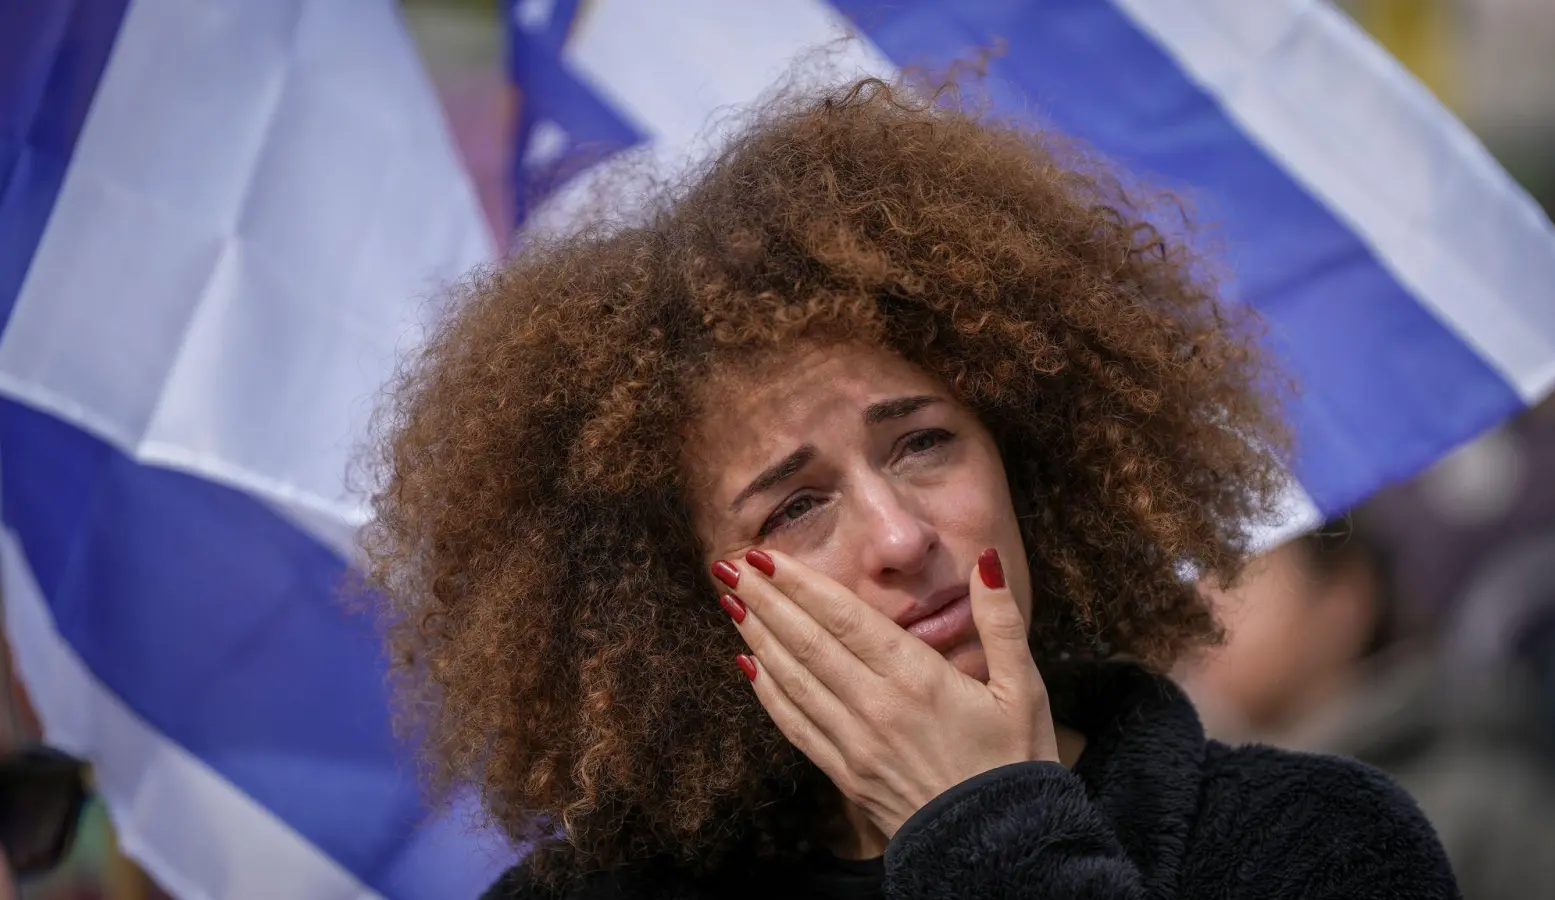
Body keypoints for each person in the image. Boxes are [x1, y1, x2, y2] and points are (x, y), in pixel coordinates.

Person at [361, 76, 1459, 899]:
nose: (896, 535)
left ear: (1022, 449)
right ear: (677, 605)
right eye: (794, 506)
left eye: (923, 443)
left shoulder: (1312, 841)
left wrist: (987, 832)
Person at [1181, 515, 1555, 900]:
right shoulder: (1194, 807)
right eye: (1198, 581)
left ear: (1345, 595)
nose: (1204, 613)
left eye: (1235, 579)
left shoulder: (1484, 803)